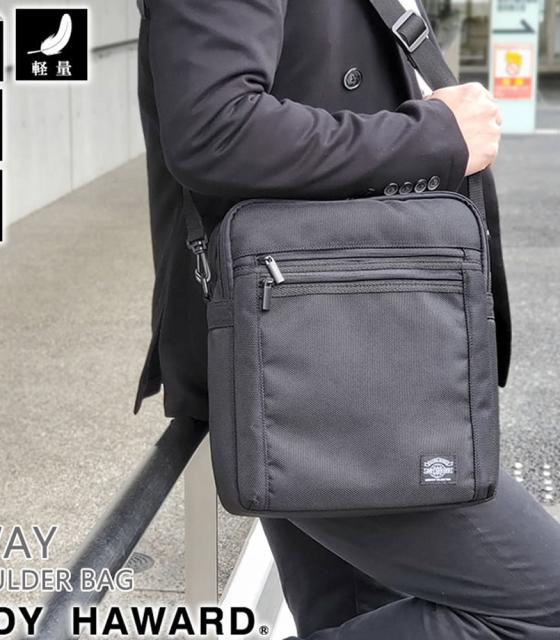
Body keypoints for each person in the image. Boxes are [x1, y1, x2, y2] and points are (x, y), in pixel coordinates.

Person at [134, 0, 560, 637]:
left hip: (338, 334)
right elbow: (215, 127)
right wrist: (436, 136)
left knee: (354, 612)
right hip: (304, 353)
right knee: (541, 602)